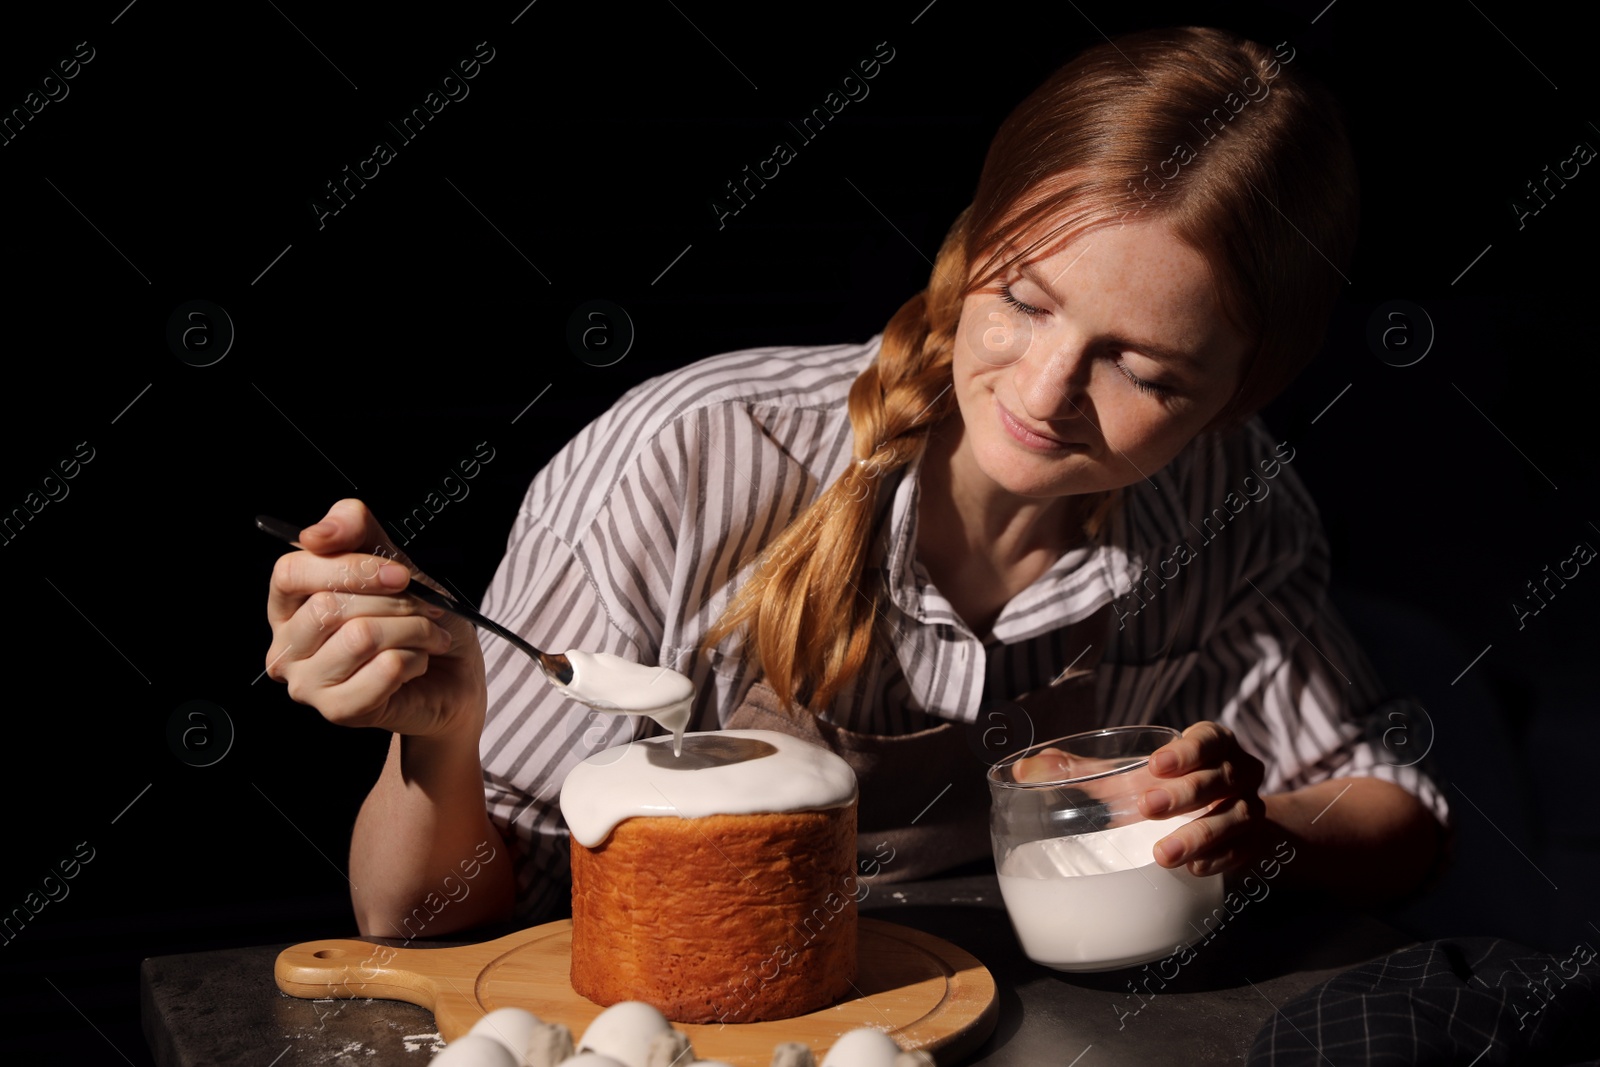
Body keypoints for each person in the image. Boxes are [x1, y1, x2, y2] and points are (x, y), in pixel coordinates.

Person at [265, 26, 1448, 938]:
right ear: (971, 247)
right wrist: (442, 740)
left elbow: (1395, 819)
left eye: (1137, 366)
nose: (1040, 391)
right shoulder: (690, 460)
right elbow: (417, 919)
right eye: (1023, 302)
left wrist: (1259, 823)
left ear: (1242, 389)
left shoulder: (1229, 500)